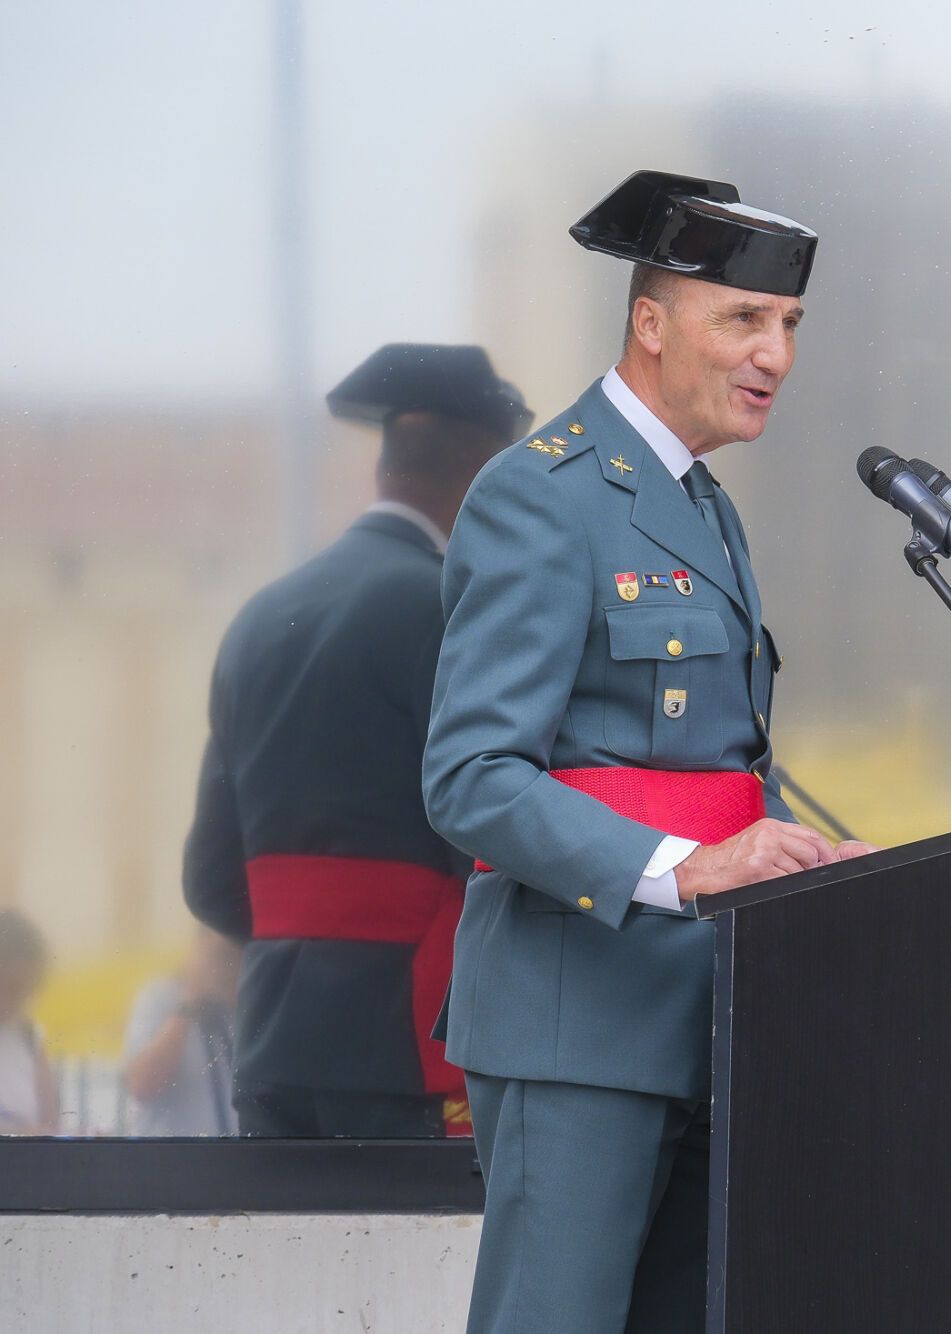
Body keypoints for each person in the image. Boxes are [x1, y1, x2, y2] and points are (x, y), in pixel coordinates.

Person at [423, 170, 873, 1334]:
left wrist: (809, 864)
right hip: (577, 1018)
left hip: (704, 1014)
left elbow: (717, 762)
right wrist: (684, 868)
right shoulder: (542, 494)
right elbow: (471, 775)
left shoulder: (702, 504)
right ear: (651, 320)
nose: (773, 351)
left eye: (787, 326)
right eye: (742, 318)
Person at [183, 344, 530, 1138]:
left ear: (388, 468)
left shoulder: (261, 617)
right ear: (484, 475)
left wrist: (312, 941)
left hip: (273, 1044)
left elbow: (211, 878)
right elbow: (488, 831)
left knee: (282, 1263)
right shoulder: (449, 606)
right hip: (410, 1042)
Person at [121, 926, 242, 1136]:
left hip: (235, 1162)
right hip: (171, 1162)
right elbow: (141, 1085)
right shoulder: (159, 998)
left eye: (234, 957)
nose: (225, 969)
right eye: (219, 957)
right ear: (197, 953)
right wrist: (189, 1003)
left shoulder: (246, 1011)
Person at [0, 909, 56, 1136]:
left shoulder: (29, 1036)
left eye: (27, 990)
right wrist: (19, 1134)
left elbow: (50, 1123)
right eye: (13, 987)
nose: (18, 1001)